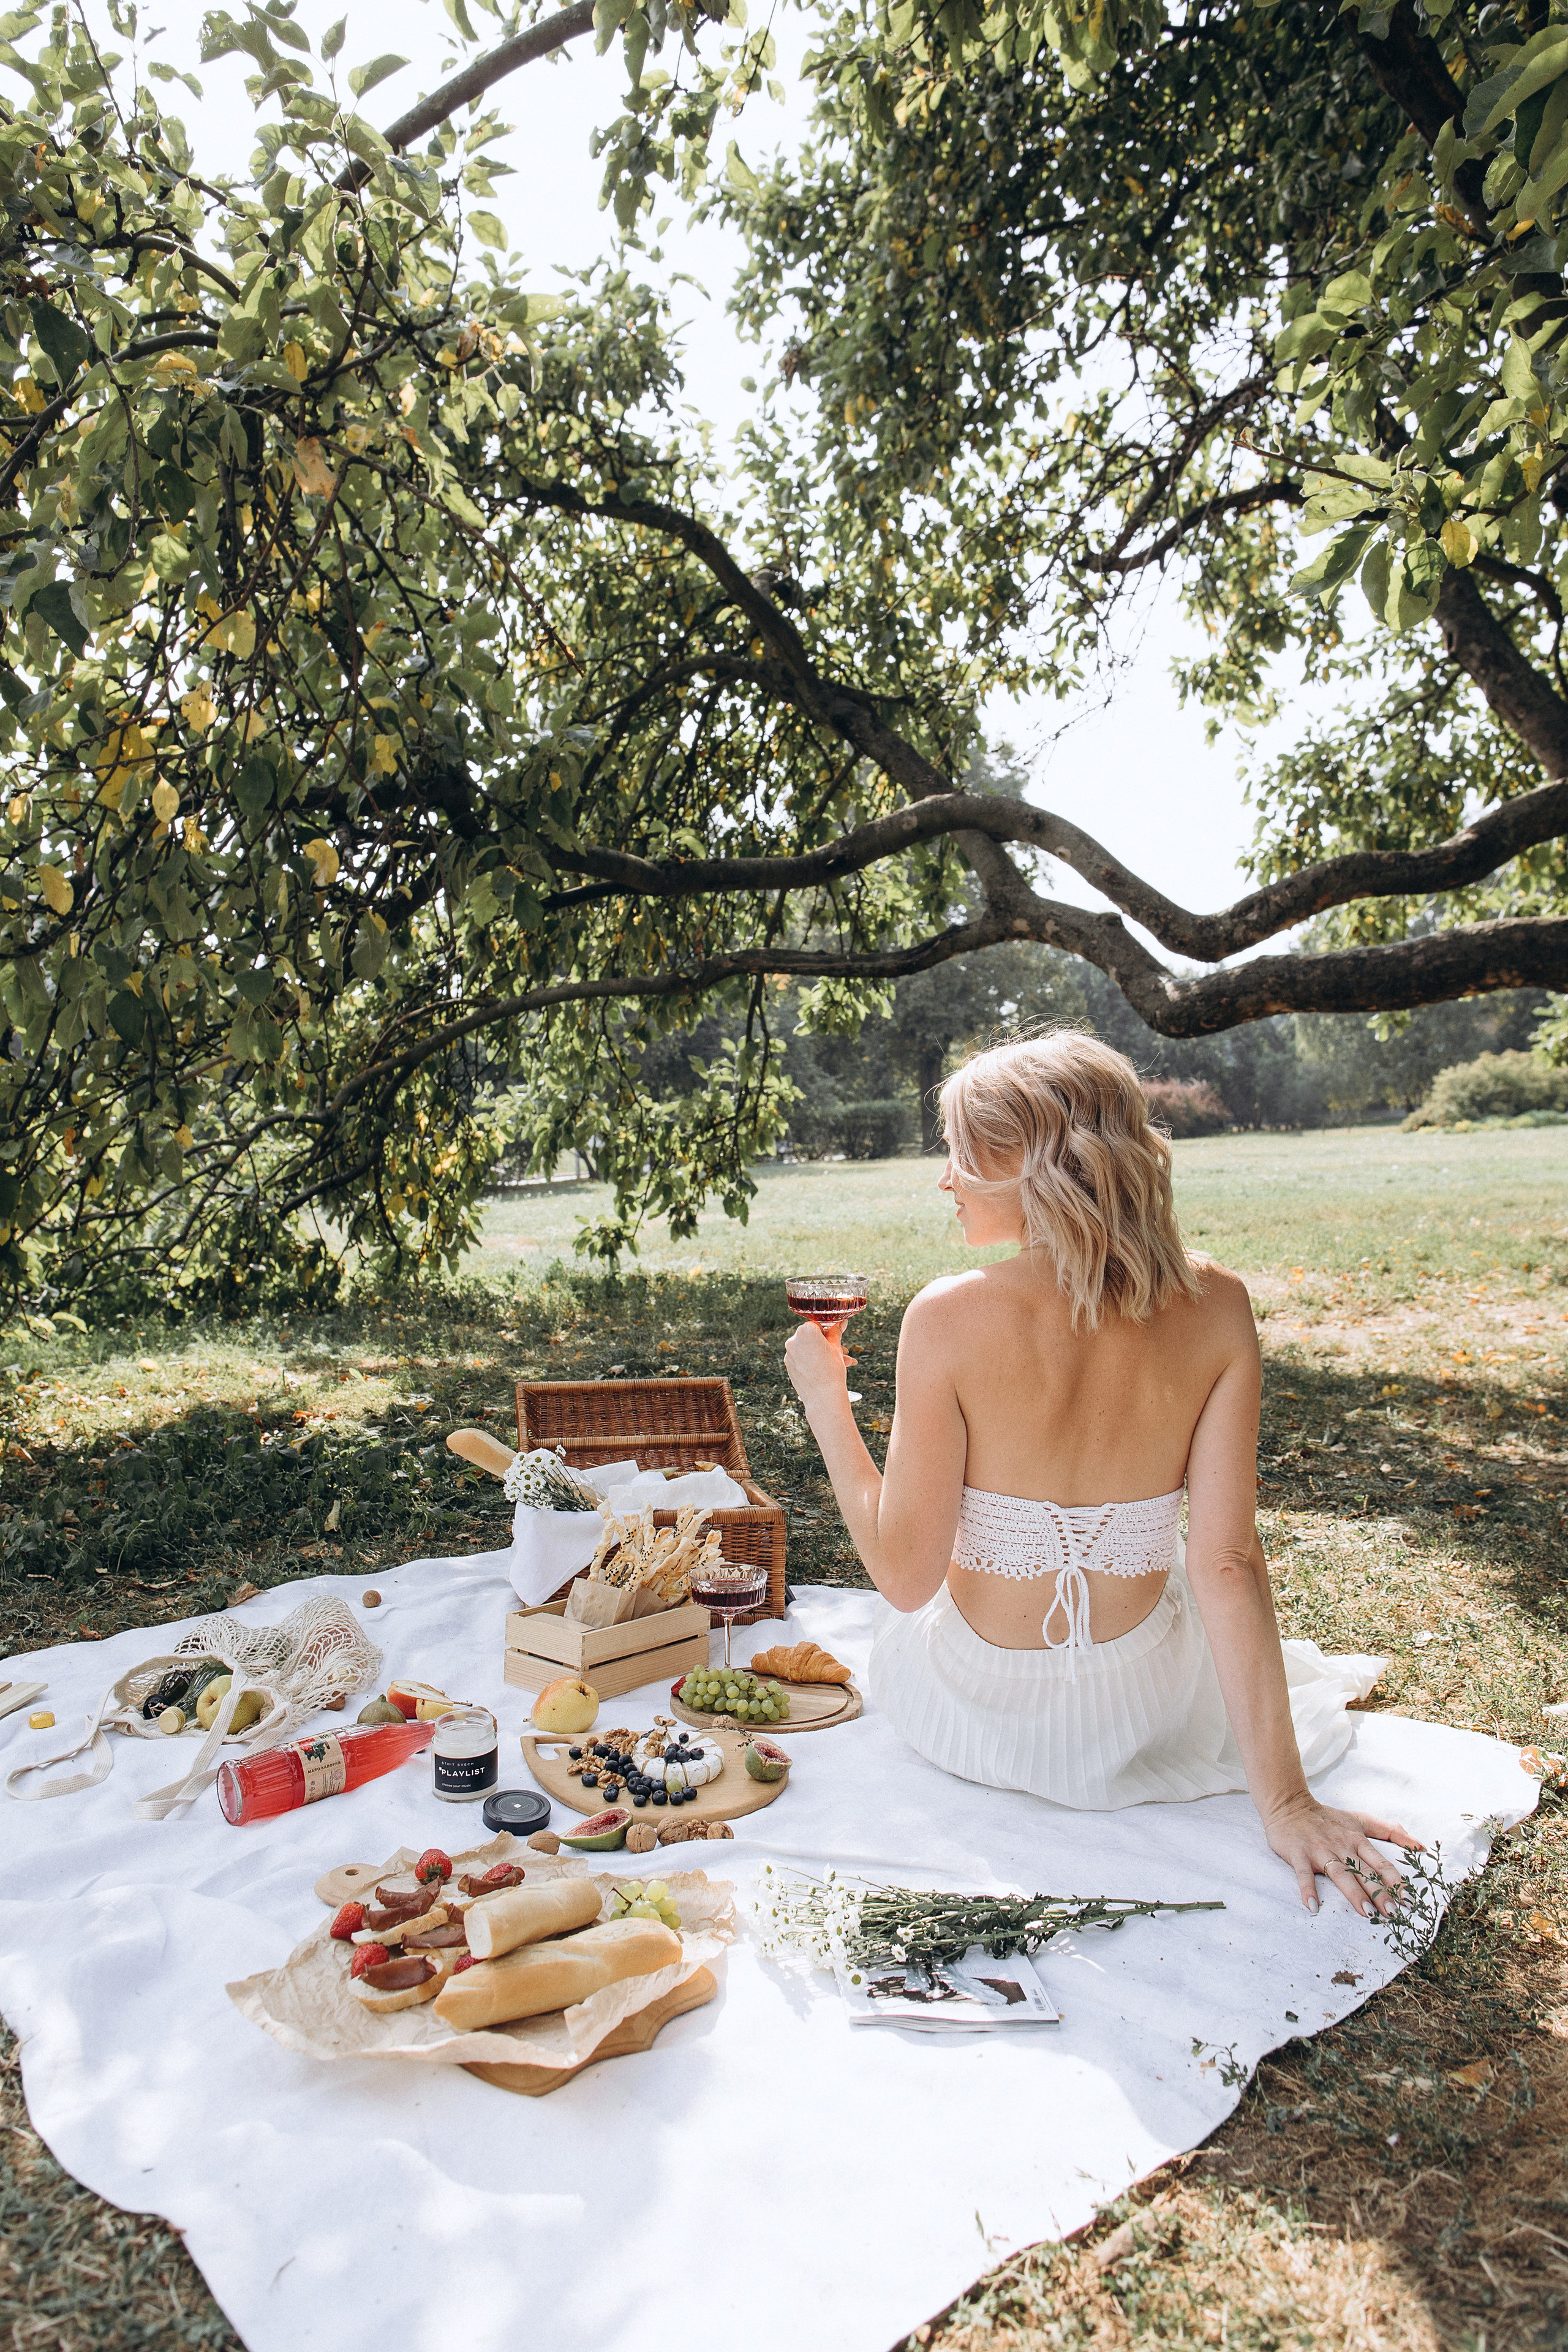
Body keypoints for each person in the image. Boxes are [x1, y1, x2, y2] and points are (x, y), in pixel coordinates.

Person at [783, 1031, 1420, 1918]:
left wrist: (825, 1400)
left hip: (977, 1713)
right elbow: (1226, 1563)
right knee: (1203, 1618)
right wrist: (1285, 1802)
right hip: (1146, 1713)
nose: (945, 1180)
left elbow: (903, 1578)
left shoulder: (948, 1316)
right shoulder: (1219, 1305)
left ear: (1026, 1161)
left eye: (960, 1154)